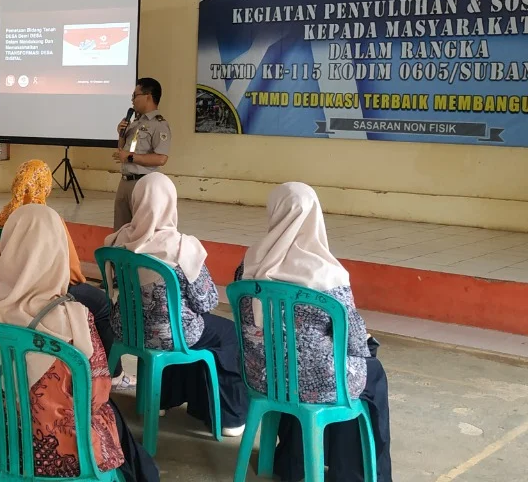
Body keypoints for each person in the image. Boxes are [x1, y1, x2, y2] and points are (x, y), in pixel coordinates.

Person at [0, 204, 159, 481]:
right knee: (111, 416)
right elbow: (96, 396)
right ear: (59, 249)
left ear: (8, 245)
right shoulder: (73, 319)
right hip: (63, 453)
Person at [236, 183, 392, 482]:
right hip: (315, 382)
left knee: (301, 365)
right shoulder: (326, 273)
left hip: (263, 374)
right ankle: (354, 473)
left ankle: (293, 461)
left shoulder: (250, 263)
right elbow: (354, 339)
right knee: (371, 371)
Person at [105, 173, 248, 436]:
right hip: (173, 334)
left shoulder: (117, 241)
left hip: (126, 328)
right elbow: (206, 301)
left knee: (173, 326)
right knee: (227, 334)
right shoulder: (181, 247)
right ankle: (231, 418)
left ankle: (162, 399)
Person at [0, 159, 129, 388]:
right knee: (102, 303)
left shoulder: (7, 215)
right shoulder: (49, 218)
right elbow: (73, 272)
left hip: (12, 285)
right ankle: (114, 372)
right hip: (50, 289)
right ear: (45, 185)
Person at [112, 78, 172, 230]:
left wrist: (130, 157)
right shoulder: (135, 123)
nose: (132, 100)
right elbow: (123, 150)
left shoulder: (159, 125)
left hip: (144, 183)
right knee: (120, 229)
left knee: (140, 229)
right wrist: (121, 134)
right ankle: (118, 253)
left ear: (148, 96)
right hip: (125, 181)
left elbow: (161, 158)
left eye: (135, 95)